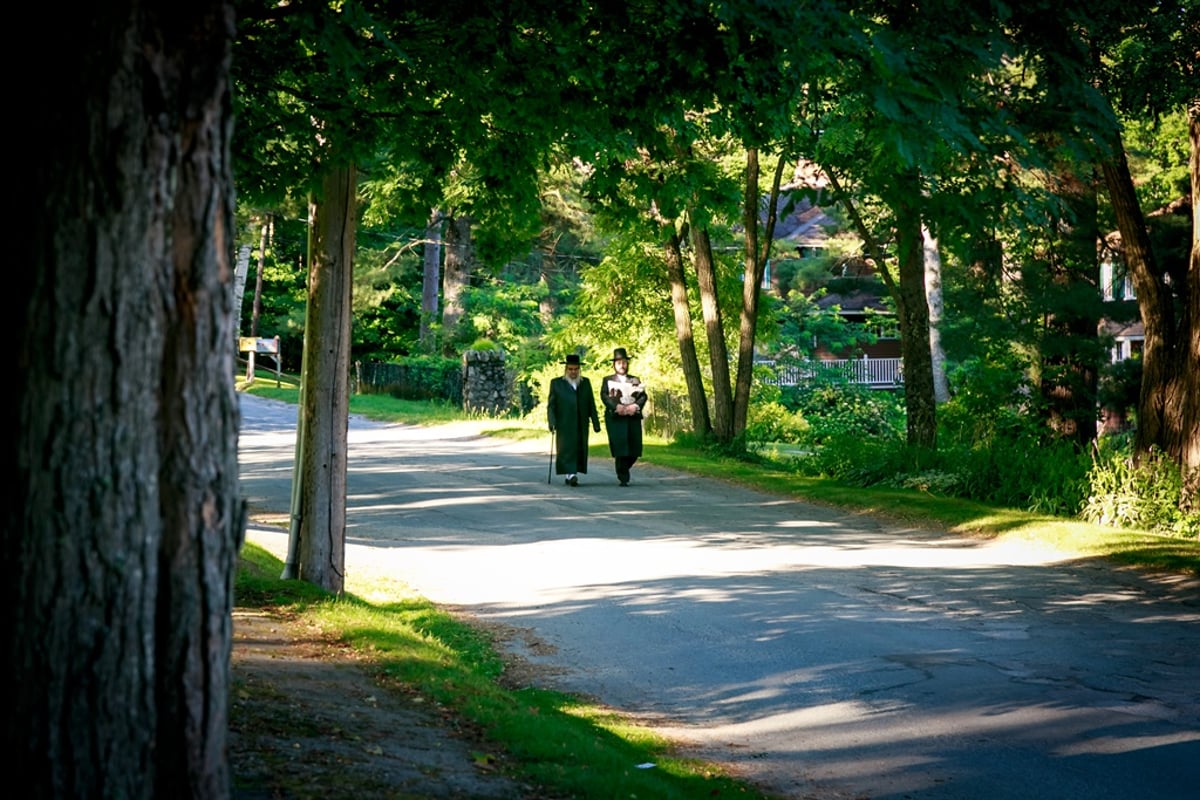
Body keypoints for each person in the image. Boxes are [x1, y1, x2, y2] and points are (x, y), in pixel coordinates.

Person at [547, 353, 601, 486]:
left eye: (576, 369)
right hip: (564, 423)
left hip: (581, 423)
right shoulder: (557, 384)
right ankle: (570, 475)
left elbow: (591, 404)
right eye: (570, 369)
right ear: (566, 369)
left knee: (579, 448)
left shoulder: (585, 383)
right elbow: (551, 406)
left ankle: (572, 473)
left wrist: (595, 422)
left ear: (579, 369)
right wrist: (552, 422)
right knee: (566, 449)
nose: (573, 372)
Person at [600, 347, 647, 486]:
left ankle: (623, 468)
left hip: (632, 417)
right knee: (620, 447)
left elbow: (643, 396)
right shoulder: (607, 380)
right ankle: (623, 476)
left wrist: (635, 406)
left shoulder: (635, 379)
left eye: (624, 362)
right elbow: (604, 396)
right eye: (619, 362)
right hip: (616, 418)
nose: (622, 365)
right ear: (614, 364)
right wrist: (616, 407)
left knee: (634, 449)